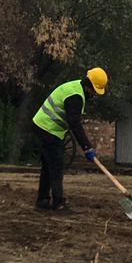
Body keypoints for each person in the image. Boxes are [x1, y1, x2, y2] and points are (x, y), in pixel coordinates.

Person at [31, 68, 109, 211]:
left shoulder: (76, 89)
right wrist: (87, 147)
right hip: (47, 128)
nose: (94, 95)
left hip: (46, 127)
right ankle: (58, 203)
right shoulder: (76, 96)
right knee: (56, 165)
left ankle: (42, 201)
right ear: (89, 86)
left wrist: (86, 146)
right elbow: (75, 124)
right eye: (94, 91)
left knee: (49, 166)